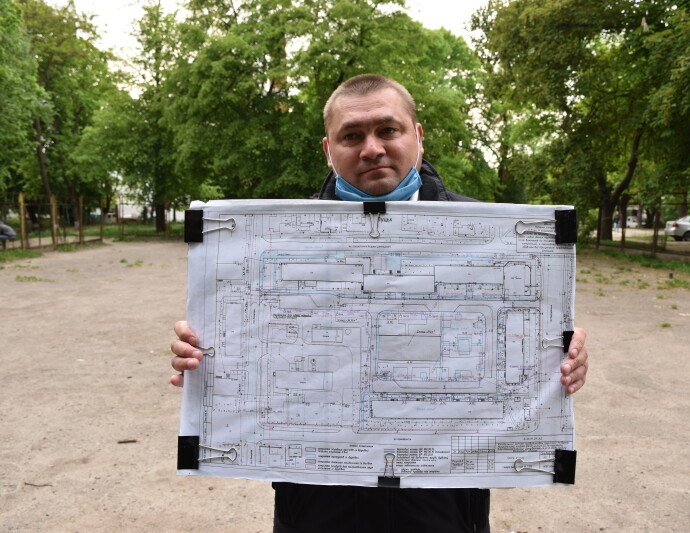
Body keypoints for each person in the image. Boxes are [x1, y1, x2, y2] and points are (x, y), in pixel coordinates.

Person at [170, 74, 589, 533]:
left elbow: (527, 349)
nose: (372, 149)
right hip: (317, 507)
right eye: (351, 136)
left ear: (418, 137)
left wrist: (561, 358)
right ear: (328, 150)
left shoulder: (496, 239)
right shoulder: (270, 240)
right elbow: (248, 351)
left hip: (443, 508)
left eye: (388, 130)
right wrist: (206, 360)